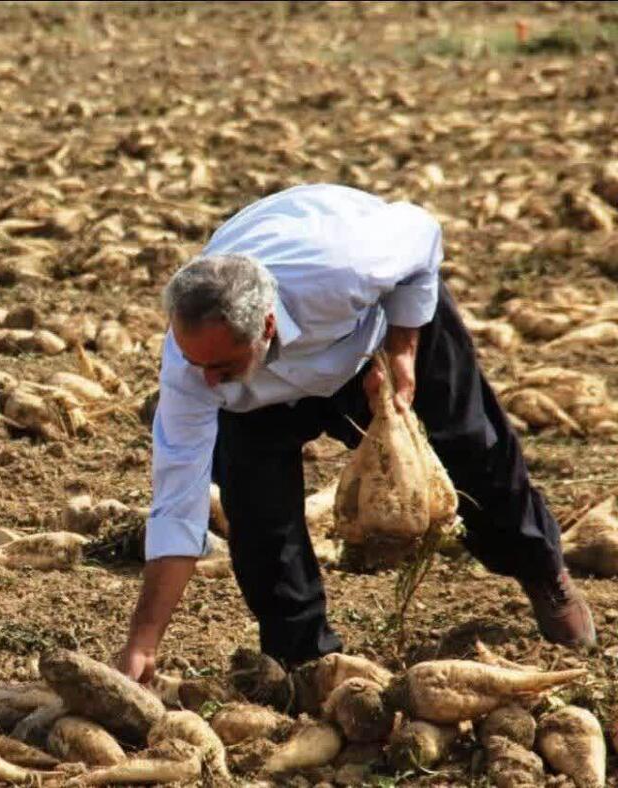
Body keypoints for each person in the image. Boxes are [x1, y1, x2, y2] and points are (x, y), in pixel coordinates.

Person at [115, 183, 597, 682]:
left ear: (267, 326)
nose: (206, 378)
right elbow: (177, 502)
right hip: (258, 399)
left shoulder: (345, 267)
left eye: (219, 364)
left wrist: (403, 347)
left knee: (475, 450)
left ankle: (542, 570)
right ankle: (303, 660)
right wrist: (143, 640)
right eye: (198, 364)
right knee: (256, 513)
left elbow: (423, 233)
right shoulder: (193, 368)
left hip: (378, 337)